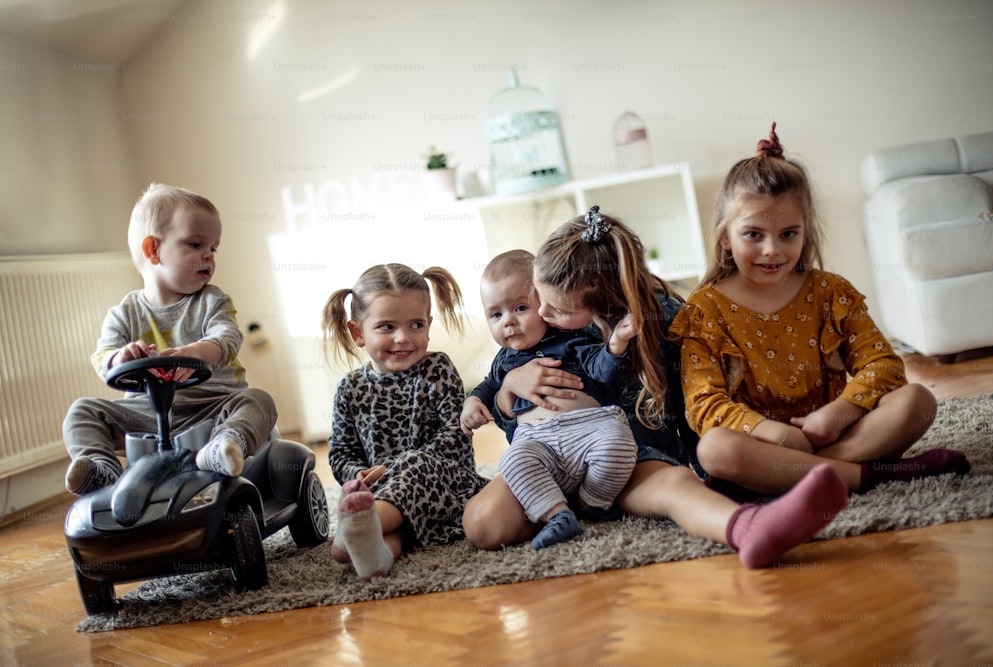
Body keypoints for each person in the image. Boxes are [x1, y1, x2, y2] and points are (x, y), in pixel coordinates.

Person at [462, 205, 850, 569]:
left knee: (675, 486)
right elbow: (517, 418)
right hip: (548, 458)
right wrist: (505, 391)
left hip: (628, 458)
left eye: (553, 309)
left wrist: (724, 460)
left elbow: (700, 403)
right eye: (538, 303)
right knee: (482, 524)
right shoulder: (537, 335)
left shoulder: (665, 322)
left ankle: (749, 527)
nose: (542, 313)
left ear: (600, 303)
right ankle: (561, 510)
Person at [667, 122, 970, 496]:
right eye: (753, 234)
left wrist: (838, 414)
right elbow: (703, 404)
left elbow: (884, 365)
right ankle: (867, 477)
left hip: (833, 434)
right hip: (760, 446)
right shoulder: (705, 309)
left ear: (806, 230)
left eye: (788, 234)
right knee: (715, 449)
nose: (772, 250)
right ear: (725, 237)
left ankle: (788, 479)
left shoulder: (830, 292)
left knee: (916, 400)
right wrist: (776, 434)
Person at [62, 183, 278, 494]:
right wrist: (118, 358)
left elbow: (227, 336)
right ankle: (101, 467)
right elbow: (101, 357)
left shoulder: (212, 300)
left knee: (259, 400)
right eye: (195, 244)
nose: (208, 255)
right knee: (81, 411)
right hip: (147, 415)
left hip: (212, 408)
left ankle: (224, 446)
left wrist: (200, 352)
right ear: (153, 250)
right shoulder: (123, 314)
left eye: (213, 248)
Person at [461, 249, 638, 550]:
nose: (508, 322)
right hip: (535, 440)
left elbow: (603, 371)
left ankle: (591, 502)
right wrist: (472, 403)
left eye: (520, 307)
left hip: (589, 429)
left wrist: (616, 344)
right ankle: (558, 514)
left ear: (545, 303)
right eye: (496, 314)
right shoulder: (504, 361)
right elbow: (487, 388)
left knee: (619, 442)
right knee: (514, 460)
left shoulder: (573, 338)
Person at [322, 263, 487, 580]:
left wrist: (397, 467)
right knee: (396, 523)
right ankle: (376, 556)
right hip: (382, 490)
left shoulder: (438, 369)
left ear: (428, 324)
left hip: (445, 484)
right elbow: (341, 451)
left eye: (415, 325)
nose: (403, 338)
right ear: (358, 332)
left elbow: (454, 438)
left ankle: (357, 529)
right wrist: (359, 474)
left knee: (415, 464)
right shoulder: (350, 388)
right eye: (386, 327)